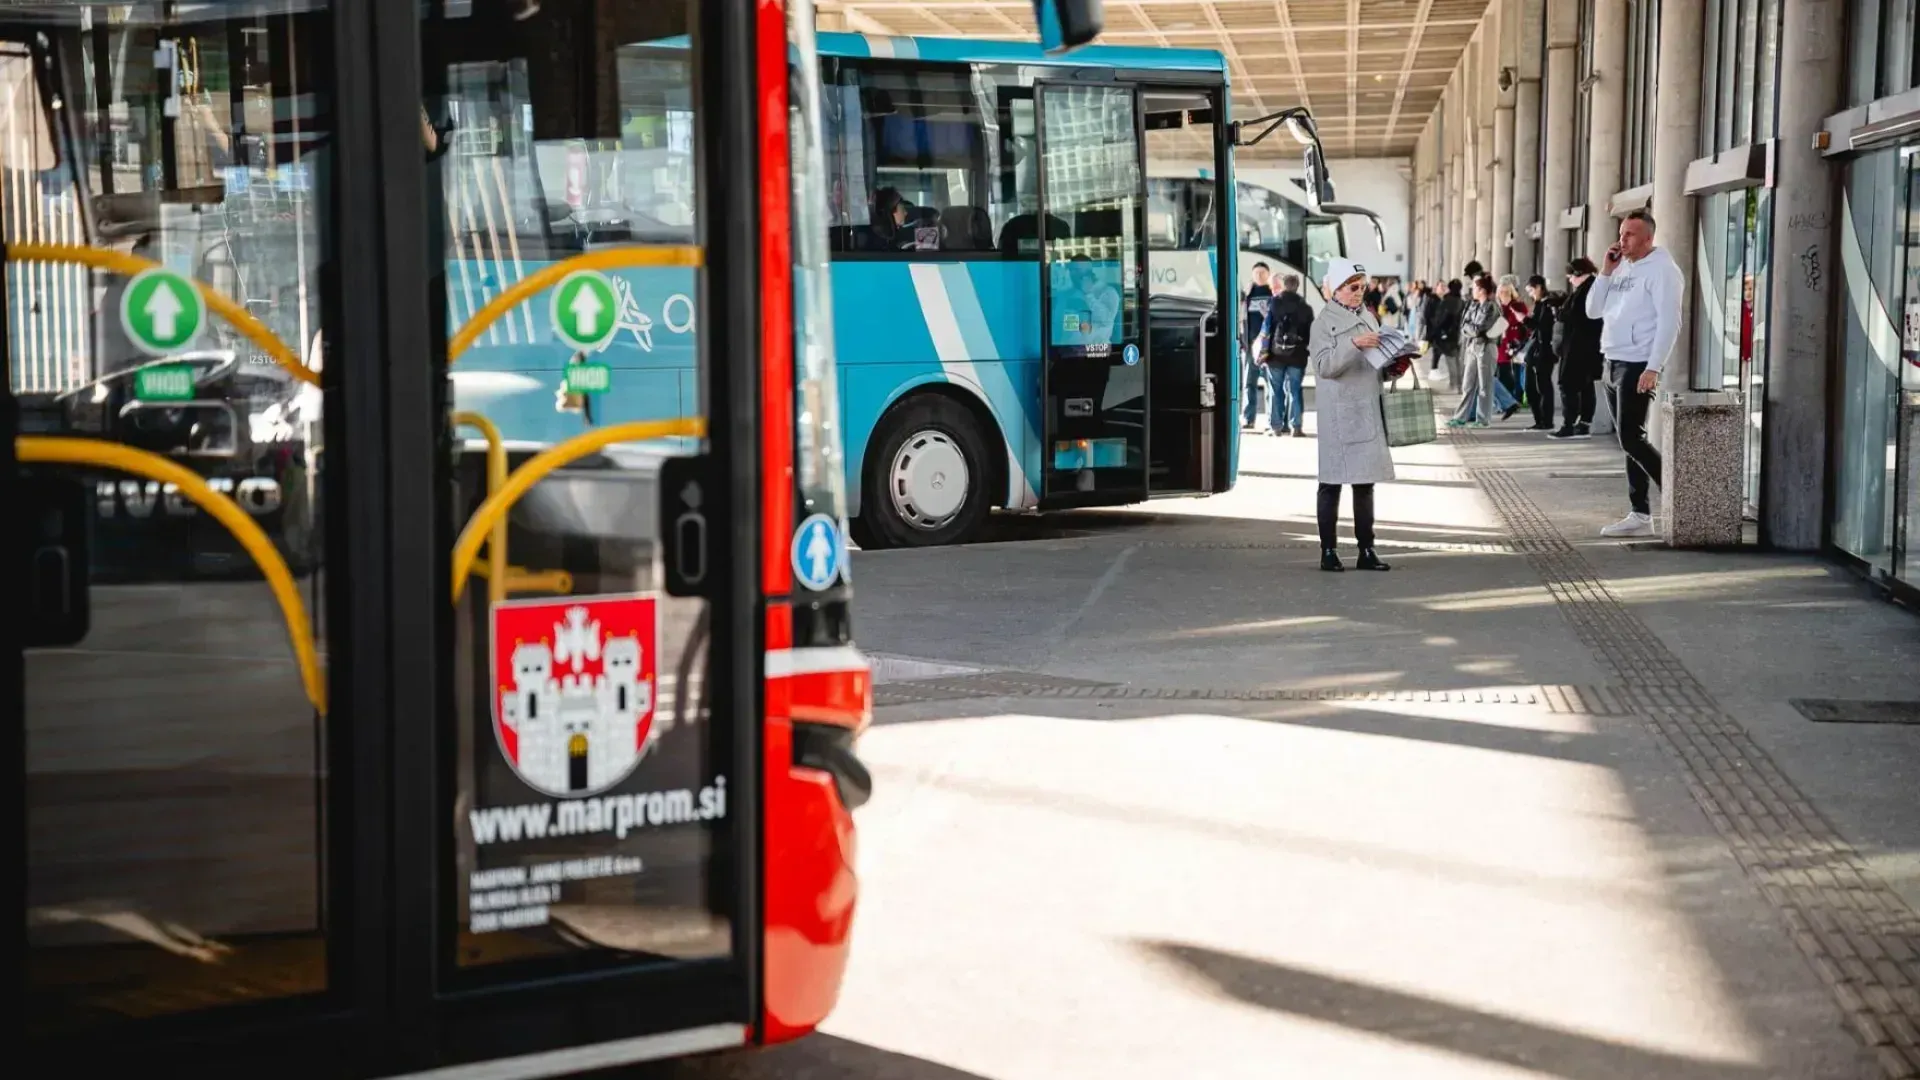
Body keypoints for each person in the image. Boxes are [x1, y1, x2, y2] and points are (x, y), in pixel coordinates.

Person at [1586, 208, 1684, 537]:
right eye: (1621, 232)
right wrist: (1605, 271)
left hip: (1638, 363)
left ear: (1647, 238)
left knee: (1631, 438)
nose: (1622, 239)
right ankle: (1640, 514)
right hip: (1613, 360)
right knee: (1629, 441)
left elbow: (1670, 322)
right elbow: (1593, 310)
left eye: (1629, 234)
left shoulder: (1663, 271)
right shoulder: (1621, 267)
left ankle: (1680, 496)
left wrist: (1653, 366)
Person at [1309, 259, 1399, 572]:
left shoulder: (1370, 318)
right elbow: (1323, 367)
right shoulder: (1321, 323)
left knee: (1365, 484)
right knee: (1330, 483)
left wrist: (1394, 365)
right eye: (1353, 287)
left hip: (1366, 410)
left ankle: (1366, 549)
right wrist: (1353, 344)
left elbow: (1375, 365)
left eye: (1362, 286)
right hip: (1338, 414)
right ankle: (1328, 551)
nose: (1359, 292)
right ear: (1336, 289)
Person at [1550, 257, 1604, 439]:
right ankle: (1583, 423)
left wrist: (1560, 312)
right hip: (1583, 346)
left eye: (1571, 276)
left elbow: (1577, 316)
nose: (1569, 280)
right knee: (1585, 385)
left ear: (1579, 274)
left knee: (1568, 384)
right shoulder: (1587, 288)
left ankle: (1569, 424)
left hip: (1579, 346)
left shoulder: (1587, 290)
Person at [1262, 273, 1314, 436]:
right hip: (1297, 356)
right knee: (1295, 390)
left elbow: (1267, 328)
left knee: (1275, 390)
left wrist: (1264, 350)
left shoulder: (1274, 303)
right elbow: (1309, 334)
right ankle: (1296, 427)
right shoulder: (1305, 307)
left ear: (1283, 285)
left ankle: (1276, 427)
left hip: (1275, 355)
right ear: (1297, 286)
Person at [1448, 275, 1502, 427]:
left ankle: (1483, 419)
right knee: (1468, 384)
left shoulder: (1491, 307)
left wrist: (1470, 329)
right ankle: (1460, 417)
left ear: (1482, 290)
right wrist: (1470, 329)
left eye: (1475, 288)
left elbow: (1480, 329)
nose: (1472, 290)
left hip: (1486, 347)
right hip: (1472, 347)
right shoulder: (1473, 305)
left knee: (1485, 385)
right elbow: (1465, 325)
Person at [1522, 275, 1561, 431]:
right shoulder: (1539, 304)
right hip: (1537, 351)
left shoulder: (1547, 305)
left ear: (1538, 287)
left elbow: (1541, 327)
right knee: (1532, 387)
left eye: (1531, 290)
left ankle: (1546, 421)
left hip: (1544, 351)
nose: (1531, 294)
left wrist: (1523, 319)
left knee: (1542, 386)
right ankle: (1540, 419)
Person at [1240, 262, 1275, 431]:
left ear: (1268, 274)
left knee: (1271, 385)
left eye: (1262, 273)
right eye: (1256, 273)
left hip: (1269, 347)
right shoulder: (1247, 294)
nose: (1259, 276)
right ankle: (1248, 418)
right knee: (1249, 384)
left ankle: (1272, 421)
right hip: (1250, 347)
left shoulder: (1273, 293)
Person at [1494, 279, 1529, 420]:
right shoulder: (1497, 307)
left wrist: (1521, 342)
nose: (1504, 294)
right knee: (1502, 374)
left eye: (1507, 292)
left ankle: (1515, 400)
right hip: (1501, 345)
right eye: (1501, 292)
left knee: (1515, 374)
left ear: (1512, 293)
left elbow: (1524, 325)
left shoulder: (1518, 306)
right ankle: (1507, 403)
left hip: (1515, 344)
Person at [1431, 278, 1465, 390]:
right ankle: (1460, 384)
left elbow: (1440, 319)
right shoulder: (1462, 302)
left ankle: (1454, 383)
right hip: (1459, 334)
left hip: (1446, 334)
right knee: (1458, 360)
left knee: (1451, 359)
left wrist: (1437, 331)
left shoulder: (1446, 301)